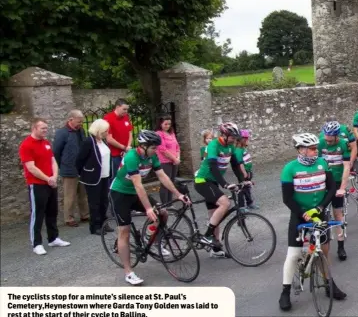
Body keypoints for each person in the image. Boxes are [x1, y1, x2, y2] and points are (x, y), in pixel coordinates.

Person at [109, 130, 190, 286]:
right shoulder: (132, 157)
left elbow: (163, 176)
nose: (156, 150)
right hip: (120, 193)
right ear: (143, 146)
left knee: (163, 213)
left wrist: (177, 194)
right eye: (153, 147)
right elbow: (138, 185)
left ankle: (150, 238)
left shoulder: (152, 156)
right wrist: (147, 209)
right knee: (124, 232)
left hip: (135, 193)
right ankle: (128, 272)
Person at [279, 132, 346, 311]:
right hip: (299, 214)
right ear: (301, 149)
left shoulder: (323, 163)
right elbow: (287, 198)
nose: (316, 151)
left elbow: (332, 187)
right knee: (293, 255)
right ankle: (285, 292)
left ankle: (328, 284)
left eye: (316, 148)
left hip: (319, 213)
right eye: (312, 148)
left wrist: (320, 208)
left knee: (324, 250)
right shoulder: (290, 168)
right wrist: (303, 213)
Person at [19, 118, 70, 255]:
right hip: (37, 185)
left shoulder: (46, 143)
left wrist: (54, 176)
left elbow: (53, 160)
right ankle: (37, 243)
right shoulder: (26, 145)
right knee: (38, 214)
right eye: (43, 128)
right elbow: (31, 168)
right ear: (34, 128)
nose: (45, 130)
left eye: (46, 128)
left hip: (50, 182)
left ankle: (53, 238)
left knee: (52, 211)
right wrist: (48, 179)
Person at [194, 122, 243, 258]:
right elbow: (213, 167)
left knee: (215, 214)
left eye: (235, 137)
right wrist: (225, 184)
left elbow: (235, 165)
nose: (234, 139)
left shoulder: (230, 147)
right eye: (232, 137)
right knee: (225, 203)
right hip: (202, 181)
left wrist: (243, 181)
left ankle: (215, 249)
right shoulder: (213, 145)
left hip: (213, 182)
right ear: (224, 135)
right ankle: (208, 236)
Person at [318, 121, 354, 260]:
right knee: (319, 214)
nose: (327, 140)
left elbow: (346, 167)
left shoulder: (344, 144)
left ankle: (341, 247)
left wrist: (342, 188)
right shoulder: (321, 143)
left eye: (330, 138)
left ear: (337, 136)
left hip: (338, 181)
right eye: (326, 137)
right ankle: (320, 245)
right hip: (324, 183)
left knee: (338, 215)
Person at [53, 109, 89, 227]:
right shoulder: (62, 133)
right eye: (79, 121)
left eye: (82, 122)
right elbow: (56, 151)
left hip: (81, 168)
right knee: (70, 195)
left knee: (83, 194)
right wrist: (62, 164)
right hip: (69, 169)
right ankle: (69, 218)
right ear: (71, 120)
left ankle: (85, 215)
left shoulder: (81, 131)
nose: (81, 124)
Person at [76, 119, 112, 235]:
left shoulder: (103, 141)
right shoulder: (88, 142)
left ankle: (103, 223)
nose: (107, 133)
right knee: (94, 202)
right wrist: (84, 173)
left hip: (105, 175)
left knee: (104, 201)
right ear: (99, 131)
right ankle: (95, 226)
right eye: (105, 131)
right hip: (93, 177)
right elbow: (79, 160)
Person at [104, 99, 134, 182]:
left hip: (126, 152)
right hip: (115, 154)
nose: (126, 111)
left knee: (127, 176)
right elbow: (109, 139)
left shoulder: (126, 117)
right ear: (117, 107)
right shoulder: (108, 118)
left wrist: (128, 147)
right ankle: (113, 194)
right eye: (124, 109)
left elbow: (130, 133)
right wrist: (124, 147)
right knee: (116, 177)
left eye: (127, 109)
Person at [155, 115, 180, 204]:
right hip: (165, 162)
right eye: (165, 124)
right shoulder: (159, 134)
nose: (167, 126)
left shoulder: (171, 133)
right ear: (160, 124)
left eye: (169, 124)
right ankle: (165, 203)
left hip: (174, 161)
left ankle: (170, 202)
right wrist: (174, 159)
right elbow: (163, 150)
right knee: (165, 183)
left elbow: (177, 146)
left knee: (171, 182)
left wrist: (178, 157)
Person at [235, 129, 258, 211]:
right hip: (243, 173)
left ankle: (249, 203)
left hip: (247, 171)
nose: (247, 141)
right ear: (241, 140)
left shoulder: (243, 148)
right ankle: (241, 206)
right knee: (242, 188)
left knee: (247, 187)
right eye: (246, 139)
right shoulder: (238, 150)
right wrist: (244, 172)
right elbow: (240, 163)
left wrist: (249, 171)